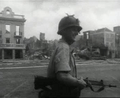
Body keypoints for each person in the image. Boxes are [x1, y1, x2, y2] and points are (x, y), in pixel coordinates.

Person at [47, 14, 87, 98]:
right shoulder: (63, 47)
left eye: (77, 30)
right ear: (64, 30)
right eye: (73, 30)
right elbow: (62, 75)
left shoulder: (62, 46)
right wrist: (78, 82)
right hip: (63, 94)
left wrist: (75, 79)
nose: (77, 33)